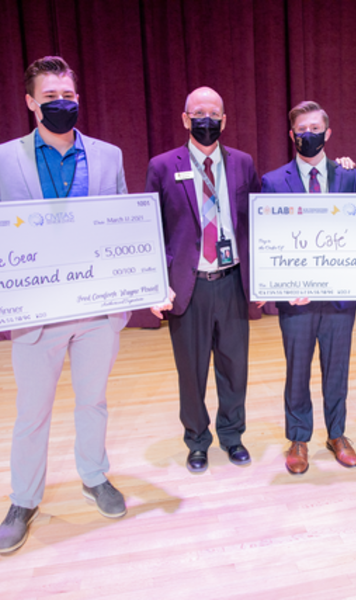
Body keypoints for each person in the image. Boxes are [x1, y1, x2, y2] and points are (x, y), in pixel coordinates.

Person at [0, 56, 129, 554]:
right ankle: (24, 499)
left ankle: (94, 475)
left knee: (92, 401)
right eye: (50, 97)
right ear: (31, 102)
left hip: (96, 310)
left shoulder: (108, 156)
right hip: (36, 314)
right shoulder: (6, 159)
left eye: (68, 96)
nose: (61, 104)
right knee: (32, 412)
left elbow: (124, 224)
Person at [146, 87, 260, 474]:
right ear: (185, 118)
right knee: (191, 371)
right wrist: (158, 282)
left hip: (231, 281)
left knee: (234, 367)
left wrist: (260, 281)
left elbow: (257, 225)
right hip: (188, 286)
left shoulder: (243, 163)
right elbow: (151, 231)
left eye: (214, 113)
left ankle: (233, 436)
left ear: (225, 121)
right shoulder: (162, 166)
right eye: (198, 112)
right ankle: (196, 441)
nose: (206, 119)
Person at [261, 101, 356, 474]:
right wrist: (279, 286)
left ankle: (337, 434)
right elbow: (267, 240)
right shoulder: (272, 181)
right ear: (291, 135)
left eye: (315, 128)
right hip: (296, 298)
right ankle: (299, 438)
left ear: (328, 133)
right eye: (301, 129)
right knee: (297, 369)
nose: (309, 135)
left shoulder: (351, 178)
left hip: (339, 297)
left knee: (337, 369)